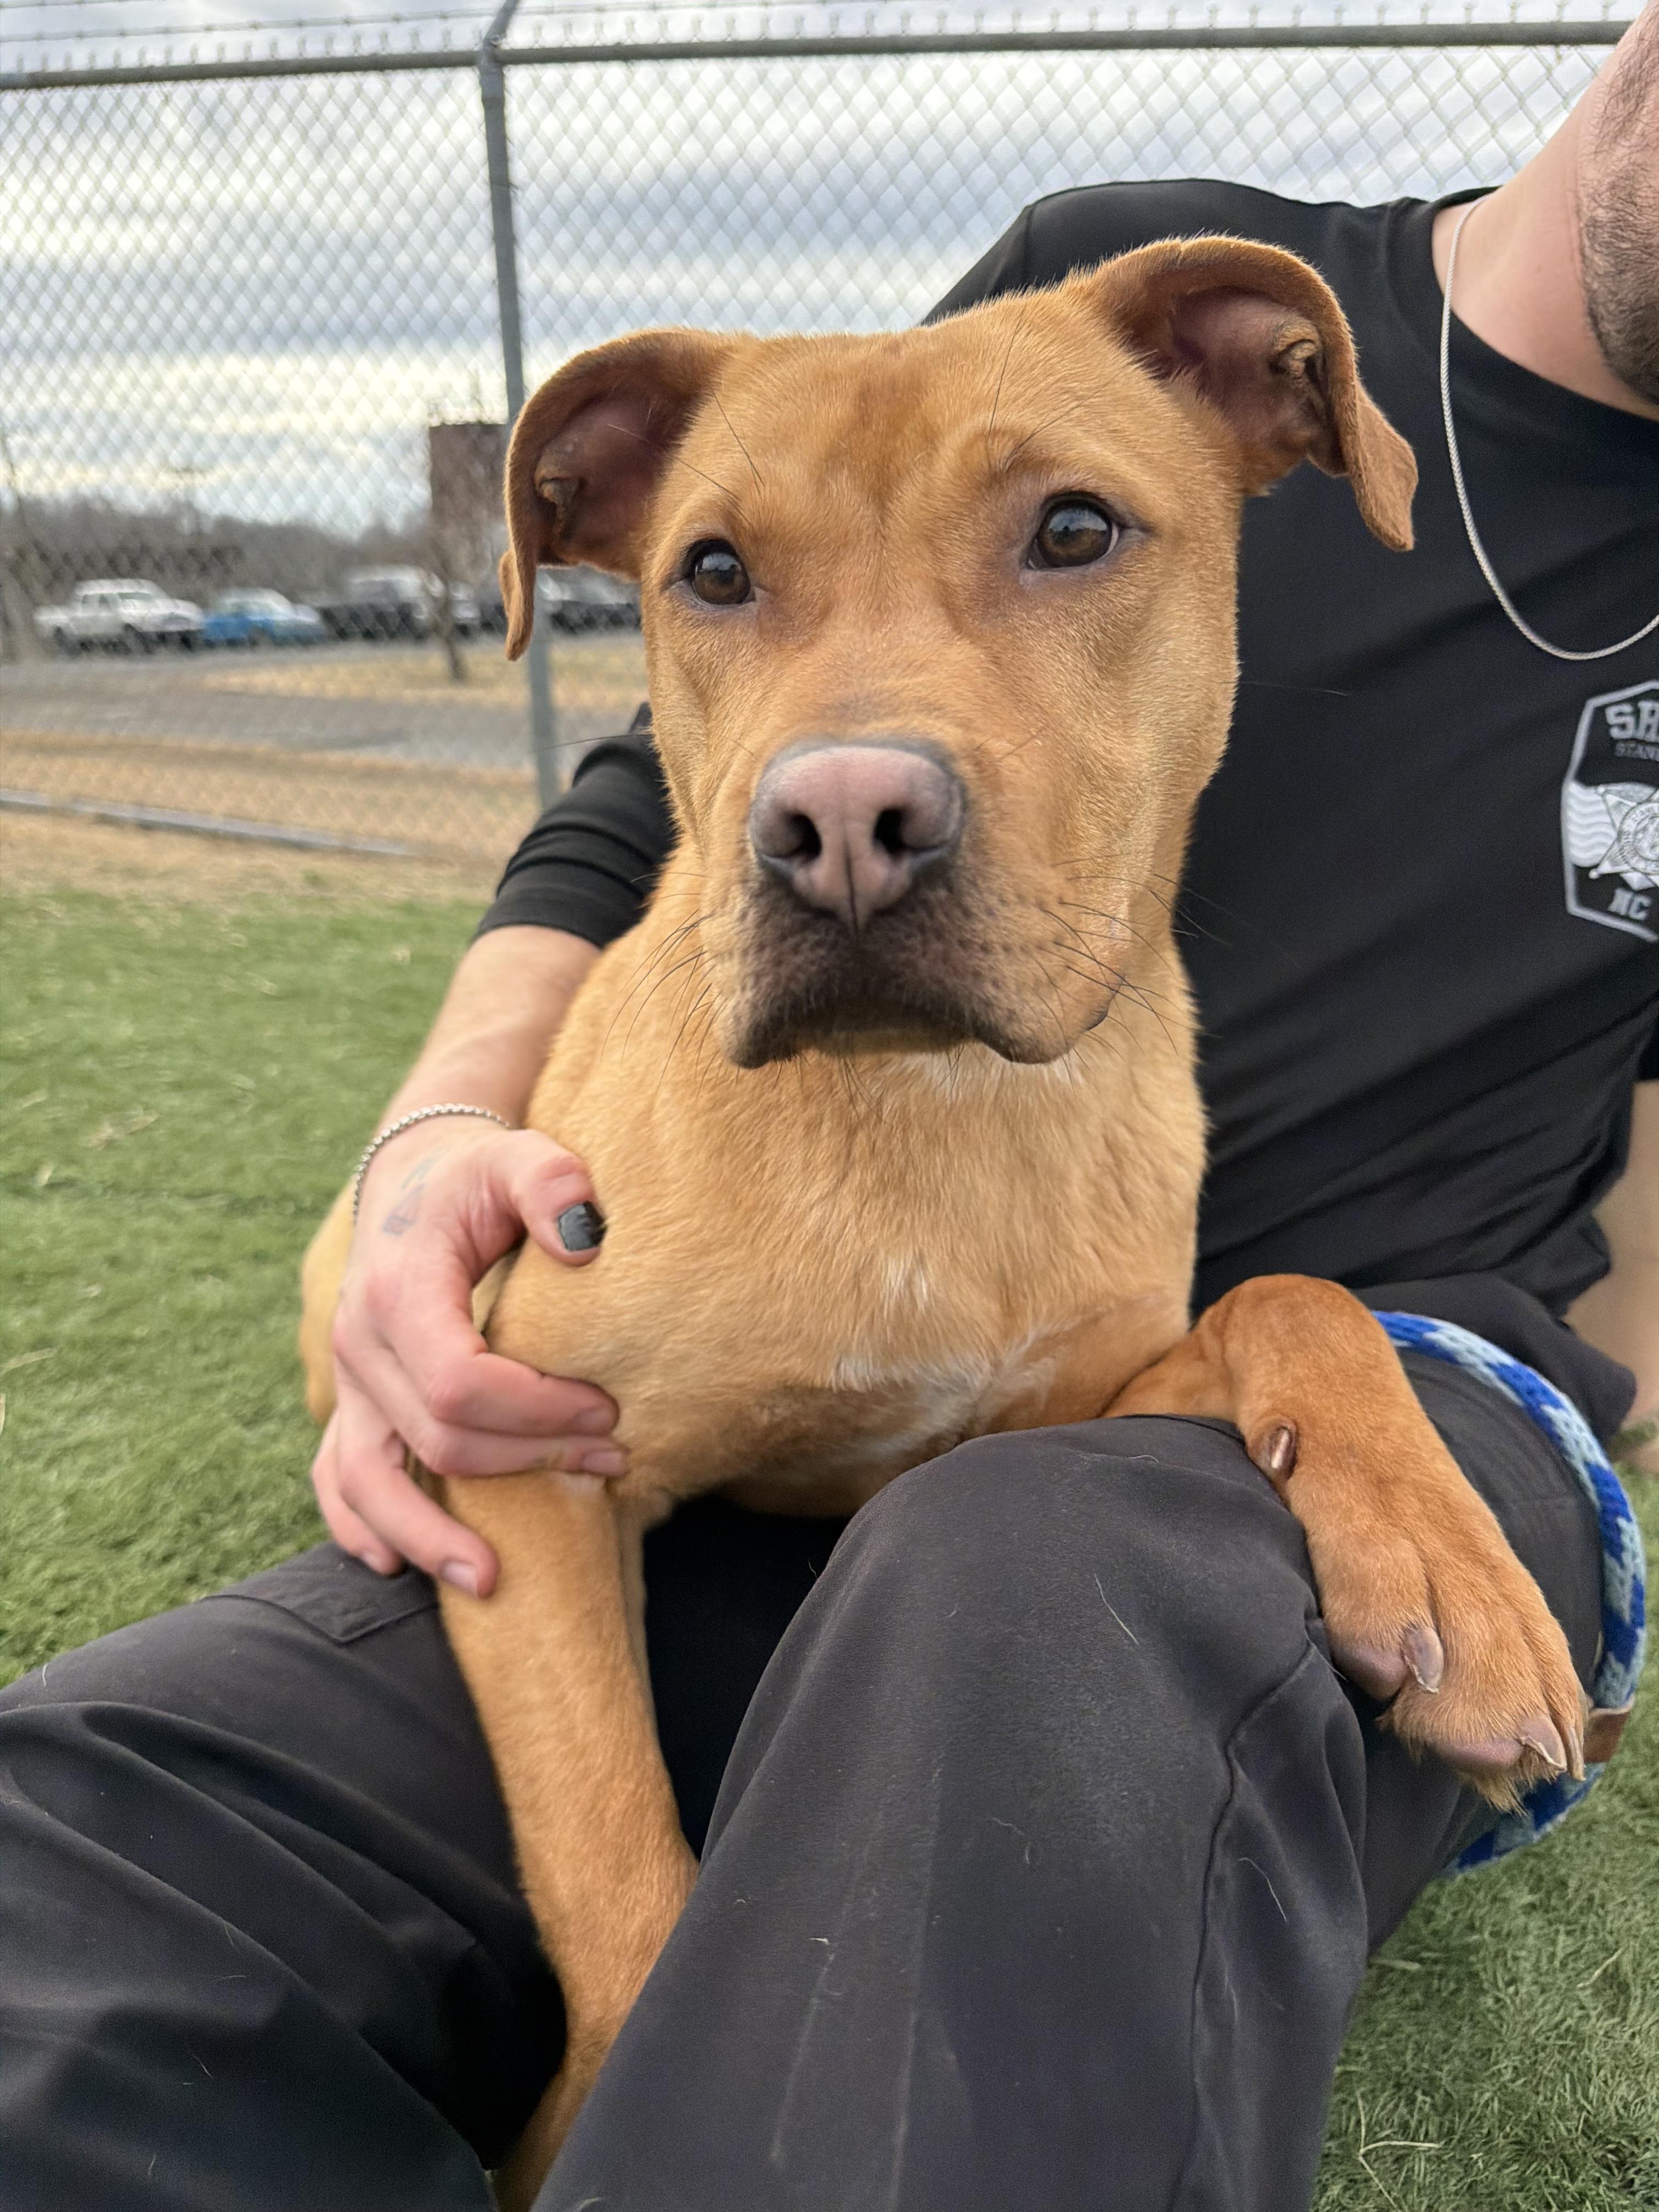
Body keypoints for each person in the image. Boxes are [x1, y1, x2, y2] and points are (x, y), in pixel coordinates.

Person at [3, 14, 1656, 2210]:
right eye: (714, 581)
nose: (853, 774)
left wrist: (1575, 1446)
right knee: (73, 1853)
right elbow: (656, 798)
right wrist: (419, 1164)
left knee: (1010, 1594)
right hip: (786, 1365)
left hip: (1337, 1375)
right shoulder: (1109, 307)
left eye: (1068, 539)